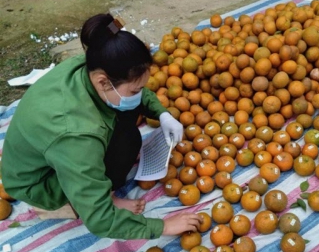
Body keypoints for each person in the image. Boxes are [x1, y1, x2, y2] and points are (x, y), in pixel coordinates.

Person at [1, 13, 202, 240]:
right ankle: (105, 196)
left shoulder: (92, 64)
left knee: (127, 126)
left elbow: (134, 91)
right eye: (135, 91)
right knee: (127, 141)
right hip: (40, 182)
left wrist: (161, 114)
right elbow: (100, 221)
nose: (140, 94)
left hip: (50, 147)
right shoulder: (76, 136)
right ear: (102, 82)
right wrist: (163, 226)